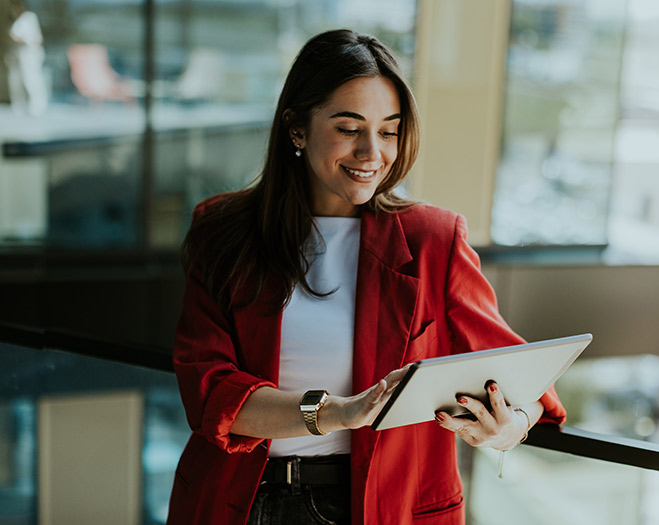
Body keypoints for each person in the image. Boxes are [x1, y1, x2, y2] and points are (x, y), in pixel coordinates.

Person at [168, 29, 566, 525]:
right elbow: (210, 391)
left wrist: (510, 428)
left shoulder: (433, 240)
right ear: (296, 127)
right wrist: (338, 412)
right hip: (238, 503)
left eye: (388, 130)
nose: (371, 153)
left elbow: (524, 379)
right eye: (349, 127)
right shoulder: (222, 229)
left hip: (379, 507)